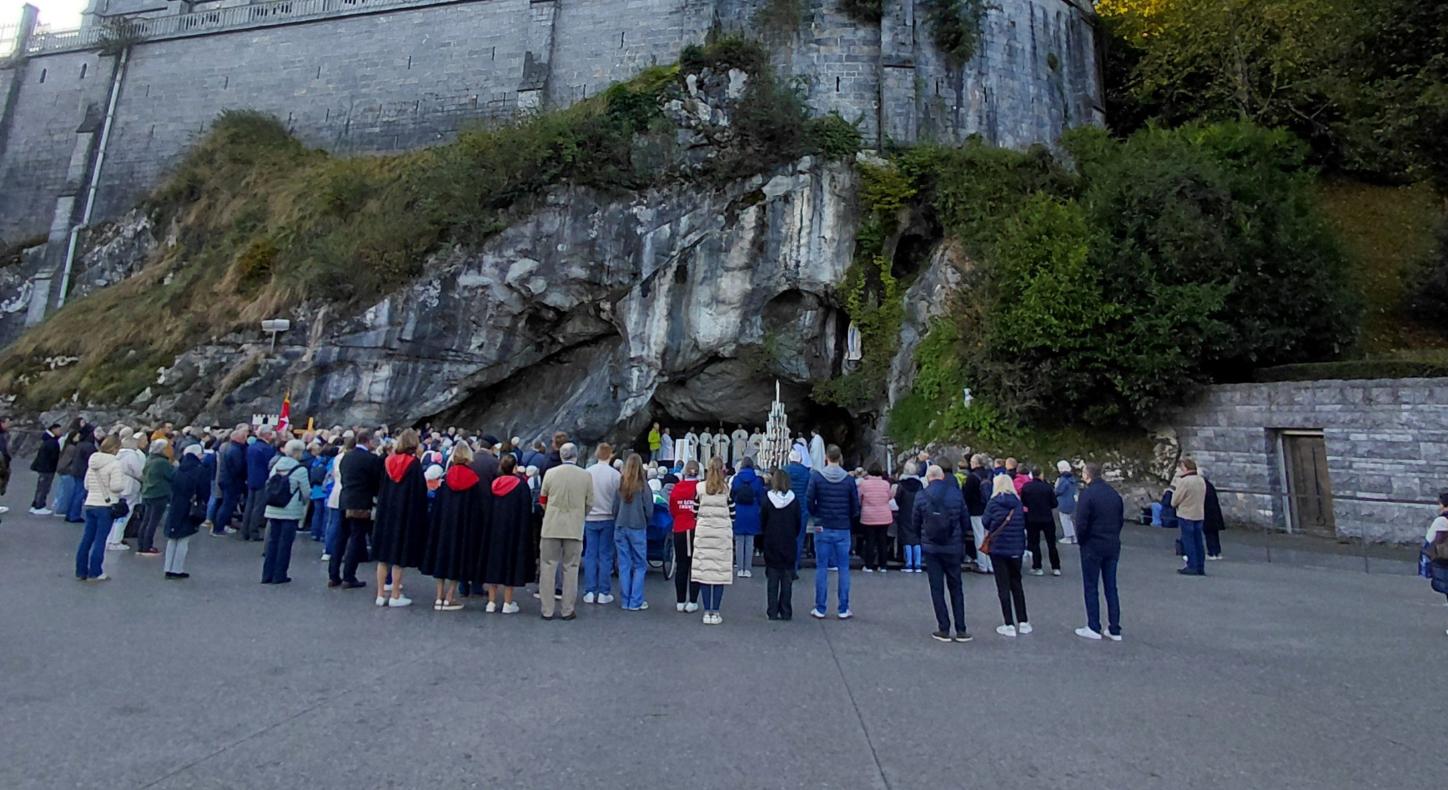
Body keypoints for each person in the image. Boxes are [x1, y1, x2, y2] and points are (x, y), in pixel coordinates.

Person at [913, 464, 972, 642]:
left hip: (931, 547)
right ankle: (961, 629)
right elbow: (965, 520)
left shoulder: (922, 495)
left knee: (936, 588)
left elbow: (915, 522)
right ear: (942, 477)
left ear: (928, 477)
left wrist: (923, 537)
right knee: (956, 587)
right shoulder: (956, 494)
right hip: (953, 546)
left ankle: (943, 628)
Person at [423, 442, 484, 611]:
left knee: (441, 557)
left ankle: (439, 596)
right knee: (458, 558)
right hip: (463, 525)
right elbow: (476, 508)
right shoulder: (473, 479)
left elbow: (439, 503)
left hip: (445, 524)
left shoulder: (447, 476)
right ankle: (450, 597)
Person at [372, 429, 429, 607]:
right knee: (398, 556)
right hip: (404, 513)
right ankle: (395, 594)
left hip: (386, 511)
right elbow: (420, 492)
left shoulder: (388, 461)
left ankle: (380, 594)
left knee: (383, 556)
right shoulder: (414, 464)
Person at [538, 442, 592, 621]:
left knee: (548, 566)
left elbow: (543, 499)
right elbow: (589, 502)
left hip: (551, 526)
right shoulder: (585, 476)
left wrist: (550, 512)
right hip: (574, 527)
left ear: (561, 455)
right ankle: (567, 609)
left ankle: (547, 609)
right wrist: (580, 515)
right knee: (571, 568)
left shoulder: (550, 473)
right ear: (576, 456)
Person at [807, 445, 860, 620]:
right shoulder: (848, 480)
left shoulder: (817, 477)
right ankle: (843, 608)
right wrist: (847, 517)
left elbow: (809, 500)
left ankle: (820, 607)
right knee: (843, 568)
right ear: (840, 457)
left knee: (822, 567)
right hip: (842, 526)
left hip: (822, 525)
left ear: (826, 457)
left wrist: (816, 514)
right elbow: (855, 505)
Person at [1073, 462, 1124, 641]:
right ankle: (1114, 628)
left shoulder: (1087, 495)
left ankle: (1093, 625)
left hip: (1092, 544)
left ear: (1087, 475)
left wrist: (1081, 540)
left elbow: (1081, 522)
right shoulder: (1114, 494)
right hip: (1112, 543)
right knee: (1111, 586)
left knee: (1091, 586)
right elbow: (1119, 519)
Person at [331, 429, 383, 589]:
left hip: (344, 498)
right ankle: (349, 576)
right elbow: (376, 481)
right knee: (356, 538)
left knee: (341, 537)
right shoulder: (371, 459)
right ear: (369, 441)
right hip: (361, 501)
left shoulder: (346, 456)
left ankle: (333, 575)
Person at [482, 453, 533, 613]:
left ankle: (491, 602)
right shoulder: (521, 485)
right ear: (515, 467)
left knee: (493, 562)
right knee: (510, 563)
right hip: (513, 529)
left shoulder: (494, 484)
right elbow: (526, 510)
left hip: (494, 529)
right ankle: (507, 602)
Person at [982, 474, 1029, 637]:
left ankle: (1008, 623)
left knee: (1003, 586)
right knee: (1017, 584)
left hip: (998, 548)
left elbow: (985, 522)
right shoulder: (1017, 503)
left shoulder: (993, 503)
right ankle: (1023, 621)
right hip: (1016, 548)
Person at [75, 435, 126, 582]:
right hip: (106, 505)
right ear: (115, 448)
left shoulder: (93, 462)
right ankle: (96, 571)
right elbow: (116, 486)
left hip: (91, 503)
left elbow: (86, 485)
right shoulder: (115, 464)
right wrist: (122, 485)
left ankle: (81, 570)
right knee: (100, 540)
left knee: (87, 539)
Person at [691, 457, 734, 625]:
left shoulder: (700, 488)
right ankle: (715, 611)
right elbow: (733, 513)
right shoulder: (726, 489)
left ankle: (706, 611)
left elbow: (694, 511)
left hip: (704, 534)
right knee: (718, 574)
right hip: (721, 534)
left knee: (705, 573)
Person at [261, 439, 310, 585]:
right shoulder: (300, 470)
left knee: (272, 542)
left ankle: (267, 574)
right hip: (290, 510)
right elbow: (306, 493)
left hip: (273, 508)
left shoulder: (276, 465)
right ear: (297, 452)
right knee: (285, 544)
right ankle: (279, 574)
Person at [612, 453, 651, 611]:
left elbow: (614, 507)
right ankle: (635, 601)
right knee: (640, 565)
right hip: (637, 526)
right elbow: (649, 509)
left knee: (624, 564)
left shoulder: (621, 483)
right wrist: (646, 520)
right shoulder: (643, 485)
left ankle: (625, 600)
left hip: (621, 525)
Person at [163, 444, 209, 579]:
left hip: (175, 505)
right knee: (183, 539)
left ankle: (168, 567)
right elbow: (204, 491)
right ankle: (177, 568)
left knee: (172, 538)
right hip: (189, 506)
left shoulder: (177, 469)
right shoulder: (199, 470)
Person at [582, 442, 620, 605]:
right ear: (610, 455)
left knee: (590, 554)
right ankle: (604, 592)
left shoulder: (588, 473)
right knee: (605, 555)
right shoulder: (615, 475)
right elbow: (618, 498)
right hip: (608, 517)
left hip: (590, 517)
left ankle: (590, 591)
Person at [760, 468, 801, 620]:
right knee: (787, 580)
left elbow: (763, 521)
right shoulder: (794, 500)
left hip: (772, 542)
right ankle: (786, 610)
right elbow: (798, 523)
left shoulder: (767, 499)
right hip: (788, 542)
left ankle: (772, 611)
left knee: (772, 579)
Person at [667, 460, 702, 612]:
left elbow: (672, 508)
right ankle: (693, 600)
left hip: (680, 528)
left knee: (681, 566)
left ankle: (680, 601)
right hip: (696, 528)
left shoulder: (677, 487)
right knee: (695, 566)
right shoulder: (700, 488)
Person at [1019, 466, 1061, 576]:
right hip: (1047, 517)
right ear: (1041, 474)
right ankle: (1055, 567)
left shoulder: (1026, 487)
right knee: (1051, 544)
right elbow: (1054, 503)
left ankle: (1037, 566)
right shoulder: (1047, 487)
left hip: (1032, 518)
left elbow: (1023, 502)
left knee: (1034, 543)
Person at [137, 439, 175, 556]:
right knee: (153, 521)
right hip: (159, 493)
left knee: (146, 520)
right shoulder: (162, 462)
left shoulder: (150, 458)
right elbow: (172, 475)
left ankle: (141, 544)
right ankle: (147, 546)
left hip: (148, 492)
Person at [730, 457, 765, 577]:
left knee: (739, 541)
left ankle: (740, 568)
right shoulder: (757, 480)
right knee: (750, 541)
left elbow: (731, 496)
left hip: (739, 511)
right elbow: (761, 498)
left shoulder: (736, 479)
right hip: (752, 512)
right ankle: (748, 569)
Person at [1172, 457, 1207, 576]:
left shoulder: (1184, 481)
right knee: (1198, 541)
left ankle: (1192, 565)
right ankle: (1200, 566)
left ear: (1185, 468)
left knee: (1189, 541)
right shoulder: (1201, 480)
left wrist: (1174, 503)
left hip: (1186, 513)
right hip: (1199, 514)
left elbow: (1175, 499)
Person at [242, 427, 277, 541]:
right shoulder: (267, 449)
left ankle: (245, 530)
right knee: (258, 507)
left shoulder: (251, 447)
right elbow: (270, 464)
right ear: (266, 435)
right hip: (262, 479)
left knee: (249, 506)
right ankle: (253, 532)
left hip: (251, 478)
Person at [856, 465, 893, 573]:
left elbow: (859, 498)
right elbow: (889, 497)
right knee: (882, 541)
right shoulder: (886, 484)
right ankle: (883, 565)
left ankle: (869, 565)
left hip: (868, 515)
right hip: (884, 515)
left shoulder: (864, 484)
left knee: (870, 541)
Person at [213, 427, 248, 535]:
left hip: (224, 478)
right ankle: (219, 528)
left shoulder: (226, 447)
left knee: (225, 503)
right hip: (232, 481)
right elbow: (238, 468)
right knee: (228, 505)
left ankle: (221, 525)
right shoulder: (236, 450)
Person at [894, 461, 924, 573]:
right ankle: (918, 562)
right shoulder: (919, 484)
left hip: (904, 512)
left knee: (906, 538)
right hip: (917, 512)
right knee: (917, 538)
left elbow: (897, 498)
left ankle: (909, 563)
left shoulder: (901, 485)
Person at [785, 450, 812, 573]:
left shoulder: (784, 470)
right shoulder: (806, 472)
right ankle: (795, 565)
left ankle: (786, 564)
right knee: (799, 538)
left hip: (787, 506)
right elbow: (809, 491)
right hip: (802, 507)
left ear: (789, 459)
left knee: (786, 537)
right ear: (800, 460)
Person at [964, 455, 992, 574]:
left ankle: (982, 564)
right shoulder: (989, 474)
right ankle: (991, 565)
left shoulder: (972, 477)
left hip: (975, 510)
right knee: (988, 536)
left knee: (979, 537)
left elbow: (966, 495)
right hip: (988, 509)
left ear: (975, 463)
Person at [65, 425, 97, 523]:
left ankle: (70, 514)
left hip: (77, 470)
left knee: (76, 493)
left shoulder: (80, 444)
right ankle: (74, 515)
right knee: (80, 494)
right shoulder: (89, 446)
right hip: (83, 472)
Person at [28, 422, 61, 515]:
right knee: (44, 488)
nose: (60, 431)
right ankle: (39, 506)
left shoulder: (47, 440)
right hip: (47, 468)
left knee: (41, 487)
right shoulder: (52, 442)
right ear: (53, 430)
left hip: (43, 467)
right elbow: (54, 456)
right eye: (59, 429)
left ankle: (35, 505)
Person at [1055, 460, 1078, 545]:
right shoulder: (1072, 478)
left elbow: (1058, 491)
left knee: (1065, 520)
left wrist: (1055, 487)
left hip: (1063, 502)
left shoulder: (1062, 479)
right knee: (1070, 520)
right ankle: (1074, 537)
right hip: (1071, 501)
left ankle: (1068, 537)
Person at [1203, 471, 1225, 561]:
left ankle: (1212, 552)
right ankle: (1217, 552)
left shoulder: (1204, 487)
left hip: (1208, 514)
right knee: (1214, 534)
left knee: (1209, 534)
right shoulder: (1210, 486)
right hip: (1214, 513)